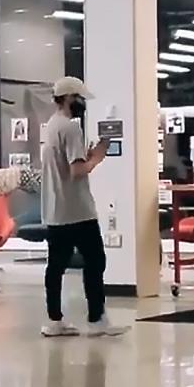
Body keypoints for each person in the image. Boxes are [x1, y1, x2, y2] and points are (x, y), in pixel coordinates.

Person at [40, 77, 129, 338]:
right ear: (69, 98)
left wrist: (87, 156)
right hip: (77, 211)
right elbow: (77, 171)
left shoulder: (51, 126)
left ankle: (55, 320)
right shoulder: (70, 128)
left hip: (56, 210)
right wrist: (97, 157)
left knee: (55, 266)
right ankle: (96, 318)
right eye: (79, 99)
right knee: (95, 261)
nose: (82, 104)